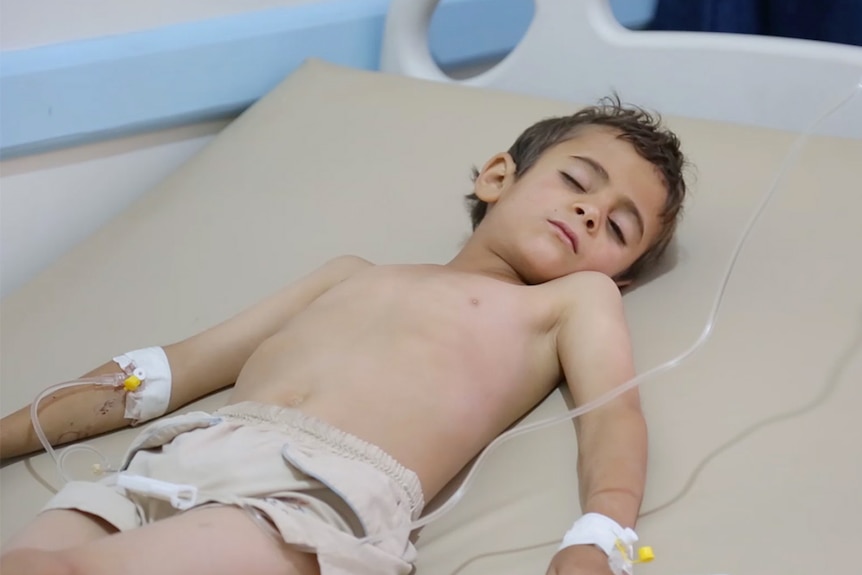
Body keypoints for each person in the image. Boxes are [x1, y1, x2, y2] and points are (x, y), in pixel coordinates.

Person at [0, 96, 687, 575]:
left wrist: (600, 538)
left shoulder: (571, 302)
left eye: (619, 227)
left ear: (619, 279)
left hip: (309, 506)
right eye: (577, 181)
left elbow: (614, 420)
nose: (590, 212)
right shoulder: (348, 276)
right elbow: (165, 372)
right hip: (175, 459)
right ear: (498, 175)